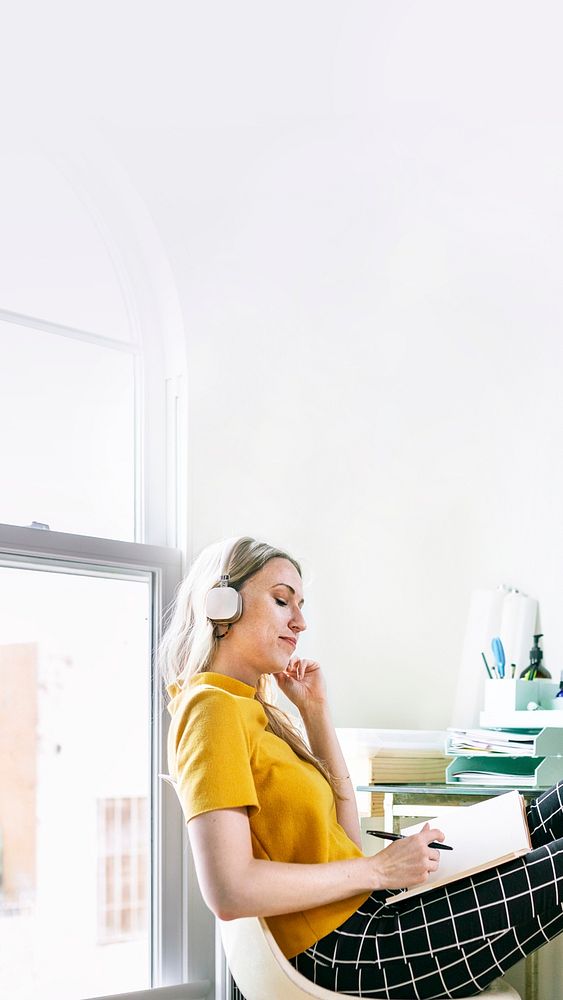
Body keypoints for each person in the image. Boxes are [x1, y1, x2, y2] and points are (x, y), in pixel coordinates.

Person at [161, 536, 563, 999]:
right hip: (348, 949)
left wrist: (316, 714)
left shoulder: (247, 709)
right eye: (281, 600)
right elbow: (229, 891)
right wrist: (379, 871)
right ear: (222, 605)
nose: (300, 621)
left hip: (366, 914)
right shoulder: (210, 710)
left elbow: (346, 841)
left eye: (300, 605)